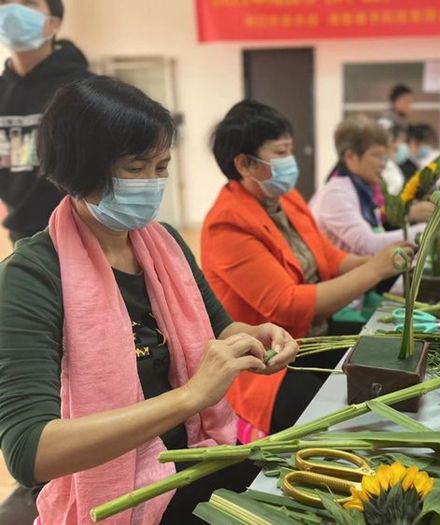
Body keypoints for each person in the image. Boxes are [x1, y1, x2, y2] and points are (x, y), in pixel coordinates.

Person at [0, 77, 299, 525]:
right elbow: (30, 450)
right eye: (136, 169)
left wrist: (255, 338)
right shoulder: (33, 276)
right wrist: (190, 397)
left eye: (162, 167)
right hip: (116, 493)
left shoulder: (163, 244)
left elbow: (221, 327)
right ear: (80, 171)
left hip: (201, 458)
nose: (153, 184)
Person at [201, 100, 413, 441]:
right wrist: (374, 270)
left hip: (309, 337)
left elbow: (328, 259)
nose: (290, 161)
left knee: (386, 368)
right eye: (280, 152)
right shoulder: (227, 224)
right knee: (337, 427)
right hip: (267, 357)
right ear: (244, 164)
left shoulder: (285, 200)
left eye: (290, 150)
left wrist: (384, 261)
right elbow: (286, 304)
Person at [0, 0, 91, 243]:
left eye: (28, 2)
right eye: (4, 3)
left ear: (54, 23)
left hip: (82, 229)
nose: (13, 10)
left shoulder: (86, 88)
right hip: (22, 232)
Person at [310, 115, 427, 255]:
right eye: (376, 155)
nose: (383, 163)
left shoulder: (363, 190)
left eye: (384, 157)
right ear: (350, 157)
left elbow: (378, 232)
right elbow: (369, 245)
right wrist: (427, 231)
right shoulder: (336, 194)